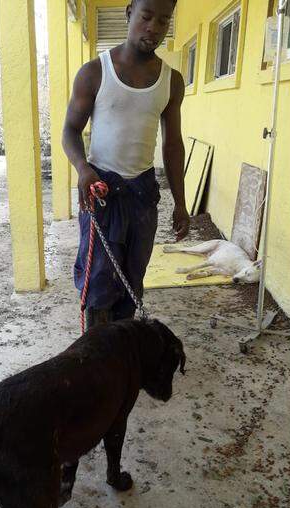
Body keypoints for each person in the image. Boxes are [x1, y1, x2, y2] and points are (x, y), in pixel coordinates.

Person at [62, 0, 189, 331]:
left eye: (163, 21)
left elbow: (173, 145)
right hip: (102, 192)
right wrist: (83, 169)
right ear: (130, 12)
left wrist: (181, 202)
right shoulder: (94, 72)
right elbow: (70, 132)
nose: (154, 27)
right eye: (146, 17)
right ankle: (96, 360)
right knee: (98, 284)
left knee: (131, 283)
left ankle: (118, 357)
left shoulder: (171, 81)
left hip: (142, 196)